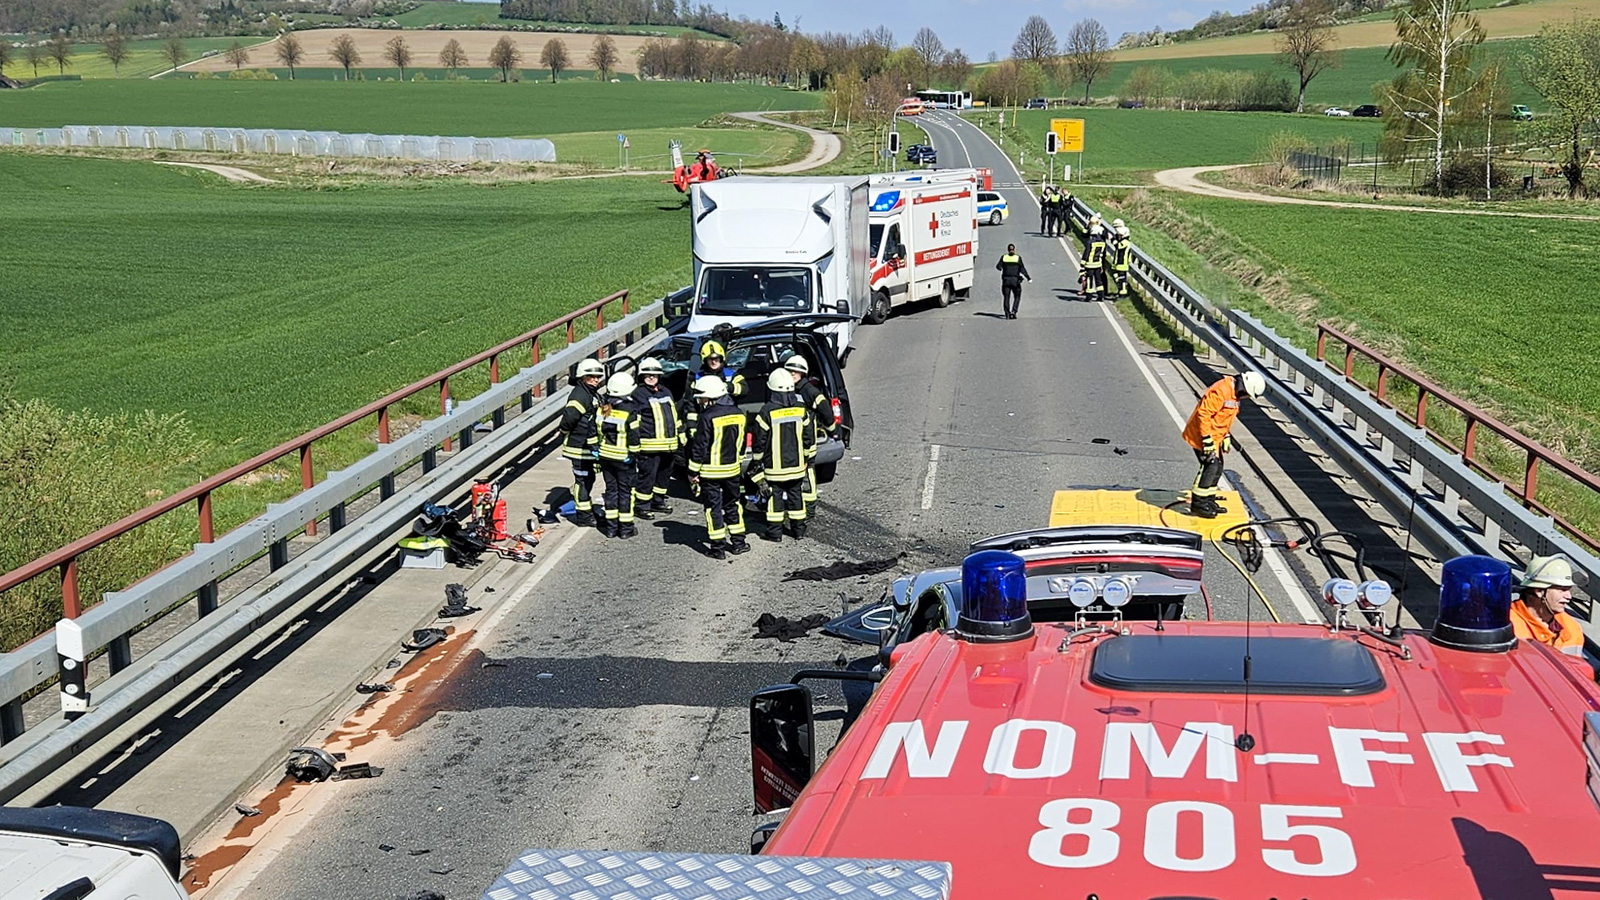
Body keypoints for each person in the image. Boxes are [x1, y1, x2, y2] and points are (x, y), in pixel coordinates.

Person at [1182, 371, 1266, 518]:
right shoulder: (1222, 390)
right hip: (1202, 435)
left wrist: (1226, 436)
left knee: (1218, 467)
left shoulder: (1234, 395)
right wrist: (1207, 440)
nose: (1247, 398)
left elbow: (1223, 419)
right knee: (1210, 466)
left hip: (1215, 437)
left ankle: (1208, 500)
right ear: (1245, 388)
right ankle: (1198, 504)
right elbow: (1204, 414)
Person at [686, 375, 750, 559]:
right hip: (732, 470)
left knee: (712, 508)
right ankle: (739, 543)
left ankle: (717, 548)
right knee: (733, 505)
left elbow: (699, 447)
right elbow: (742, 442)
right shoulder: (739, 413)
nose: (700, 400)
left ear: (710, 396)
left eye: (702, 397)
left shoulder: (707, 417)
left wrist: (692, 471)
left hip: (711, 472)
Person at [751, 368, 816, 542]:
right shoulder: (801, 410)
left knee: (775, 500)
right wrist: (806, 458)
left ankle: (775, 533)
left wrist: (756, 462)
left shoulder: (766, 411)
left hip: (775, 469)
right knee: (796, 497)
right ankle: (799, 531)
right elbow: (808, 437)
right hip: (797, 466)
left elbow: (759, 441)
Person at [558, 358, 606, 526]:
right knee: (583, 481)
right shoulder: (580, 395)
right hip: (579, 447)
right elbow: (570, 417)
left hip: (587, 447)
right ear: (582, 377)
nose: (596, 380)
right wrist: (564, 431)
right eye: (591, 377)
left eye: (598, 376)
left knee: (589, 479)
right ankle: (583, 516)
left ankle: (586, 511)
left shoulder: (590, 393)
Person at [630, 357, 679, 519]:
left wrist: (681, 435)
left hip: (669, 445)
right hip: (649, 445)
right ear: (641, 377)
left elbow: (673, 416)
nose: (651, 377)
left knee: (664, 476)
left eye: (655, 375)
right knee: (647, 476)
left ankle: (658, 501)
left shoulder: (666, 391)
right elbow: (634, 421)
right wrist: (635, 443)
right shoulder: (638, 394)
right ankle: (642, 505)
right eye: (648, 375)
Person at [784, 354, 835, 507]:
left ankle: (810, 505)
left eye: (795, 371)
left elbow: (825, 409)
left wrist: (831, 429)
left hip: (806, 438)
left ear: (803, 373)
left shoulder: (809, 391)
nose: (792, 373)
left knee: (808, 470)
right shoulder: (786, 388)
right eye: (789, 371)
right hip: (790, 438)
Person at [596, 371, 642, 539]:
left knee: (611, 491)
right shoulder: (630, 411)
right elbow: (634, 436)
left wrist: (596, 448)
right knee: (625, 493)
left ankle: (611, 528)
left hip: (606, 457)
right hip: (624, 458)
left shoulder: (604, 408)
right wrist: (635, 454)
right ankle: (626, 529)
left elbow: (595, 430)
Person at [1510, 555, 1585, 655]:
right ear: (1539, 591)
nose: (1569, 596)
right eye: (1562, 589)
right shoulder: (1506, 624)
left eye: (1568, 589)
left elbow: (1576, 668)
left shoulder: (1571, 628)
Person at [996, 244, 1031, 320]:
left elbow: (998, 267)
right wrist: (1028, 278)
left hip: (1006, 281)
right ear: (1014, 250)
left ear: (1008, 250)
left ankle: (1007, 314)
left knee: (1006, 297)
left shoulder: (1004, 257)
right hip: (1015, 281)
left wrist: (1004, 268)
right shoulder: (1017, 258)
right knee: (1017, 296)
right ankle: (1014, 311)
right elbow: (1022, 269)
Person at [1080, 218, 1107, 300]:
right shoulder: (1102, 243)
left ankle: (1089, 296)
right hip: (1098, 264)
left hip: (1090, 264)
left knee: (1089, 280)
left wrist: (1082, 263)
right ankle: (1101, 296)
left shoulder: (1090, 242)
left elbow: (1086, 253)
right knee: (1099, 280)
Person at [1110, 218, 1133, 297]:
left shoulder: (1125, 242)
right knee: (1118, 277)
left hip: (1123, 263)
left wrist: (1112, 239)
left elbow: (1118, 246)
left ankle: (1123, 293)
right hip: (1119, 263)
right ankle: (1121, 290)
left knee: (1121, 279)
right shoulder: (1123, 241)